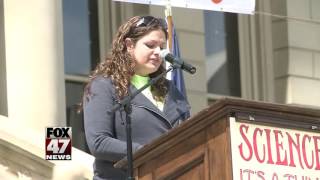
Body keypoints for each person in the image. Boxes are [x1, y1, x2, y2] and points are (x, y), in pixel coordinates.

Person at [83, 15, 191, 180]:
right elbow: (98, 142)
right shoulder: (104, 85)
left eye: (161, 46)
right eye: (150, 45)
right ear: (129, 45)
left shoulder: (171, 90)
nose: (158, 52)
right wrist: (148, 152)